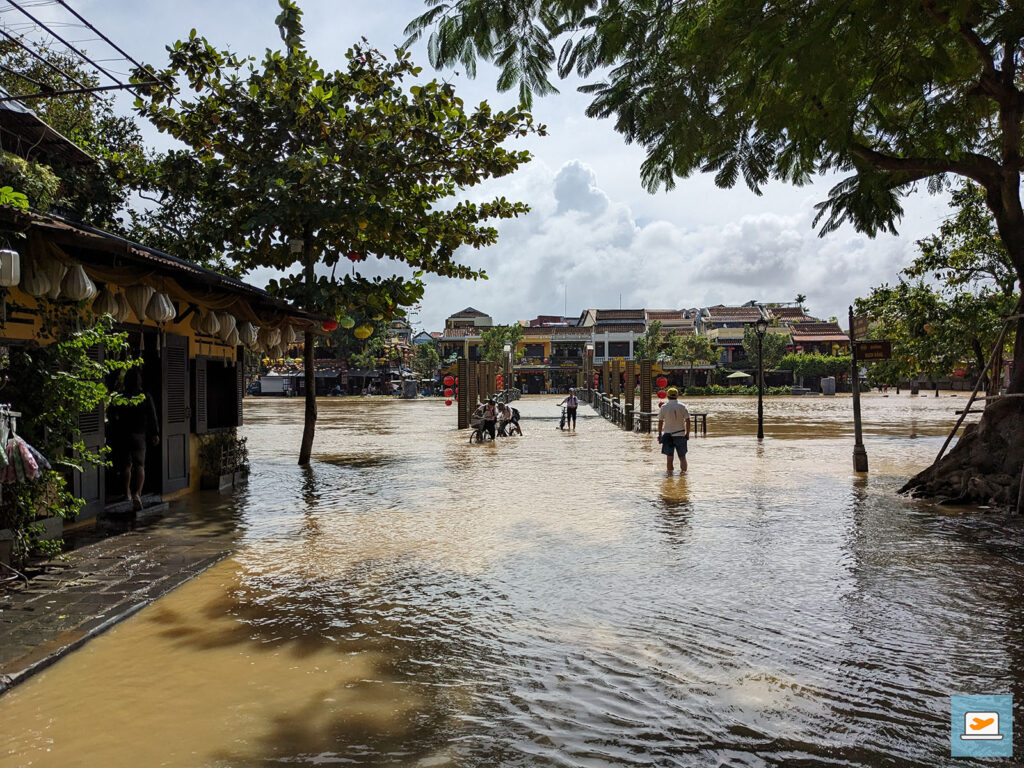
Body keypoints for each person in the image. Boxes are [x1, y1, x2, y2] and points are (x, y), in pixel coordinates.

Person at [109, 371, 160, 511]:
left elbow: (111, 413)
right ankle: (137, 494)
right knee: (140, 465)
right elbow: (152, 415)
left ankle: (127, 493)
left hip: (124, 434)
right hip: (140, 435)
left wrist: (115, 427)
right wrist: (155, 433)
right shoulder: (145, 396)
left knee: (126, 465)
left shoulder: (121, 396)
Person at [657, 386, 690, 473]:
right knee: (682, 457)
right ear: (677, 396)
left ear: (667, 396)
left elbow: (660, 422)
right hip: (680, 435)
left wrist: (660, 434)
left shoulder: (663, 407)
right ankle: (683, 476)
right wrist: (687, 434)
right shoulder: (682, 406)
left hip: (668, 436)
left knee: (669, 458)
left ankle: (669, 476)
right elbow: (688, 421)